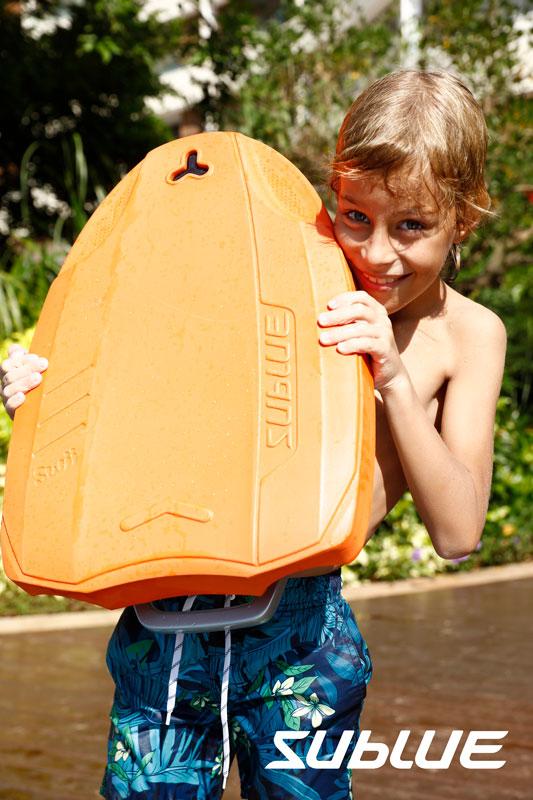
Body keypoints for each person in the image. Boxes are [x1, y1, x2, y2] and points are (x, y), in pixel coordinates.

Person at [0, 69, 506, 800]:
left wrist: (392, 379)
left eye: (412, 226)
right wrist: (42, 409)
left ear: (463, 218)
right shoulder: (271, 284)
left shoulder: (464, 336)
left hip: (299, 648)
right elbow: (153, 418)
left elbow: (457, 532)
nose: (375, 253)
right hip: (166, 631)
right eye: (354, 216)